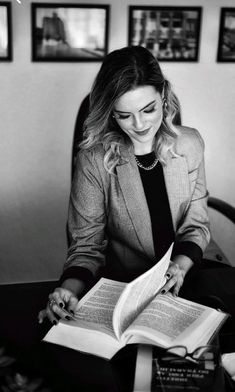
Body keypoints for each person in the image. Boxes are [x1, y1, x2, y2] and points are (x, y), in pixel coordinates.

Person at [38, 45, 210, 325]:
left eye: (148, 109)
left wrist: (179, 267)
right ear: (110, 113)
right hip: (123, 288)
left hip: (185, 279)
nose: (140, 124)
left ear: (163, 96)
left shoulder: (190, 144)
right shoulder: (93, 160)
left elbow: (196, 226)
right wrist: (67, 291)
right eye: (125, 114)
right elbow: (86, 246)